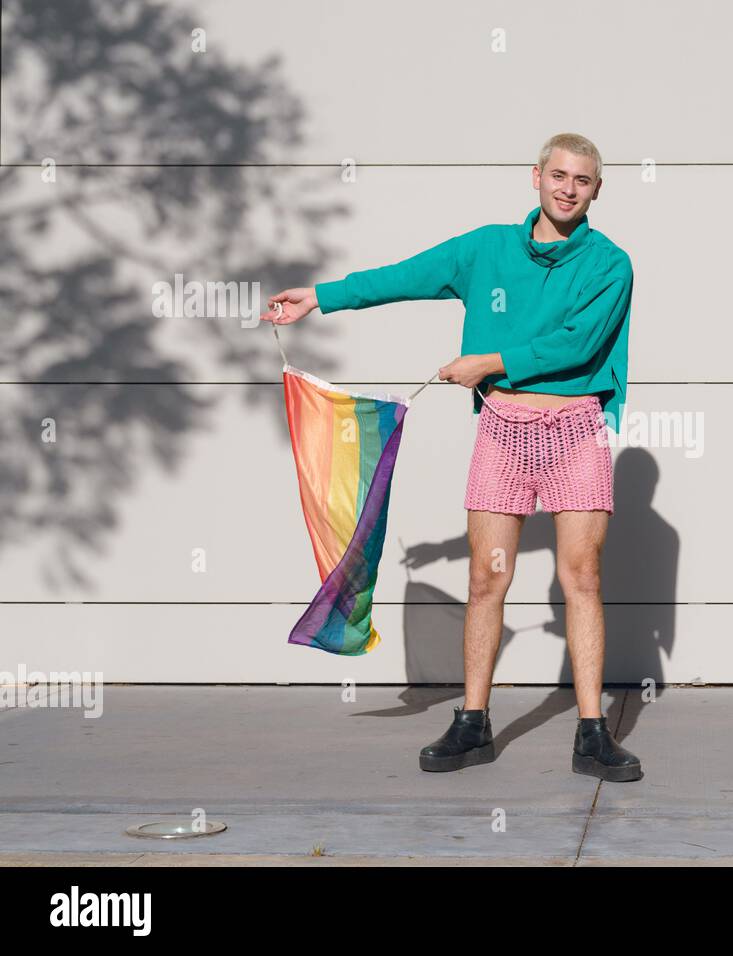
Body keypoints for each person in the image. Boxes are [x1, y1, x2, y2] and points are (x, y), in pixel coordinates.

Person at [259, 133, 642, 782]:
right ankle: (473, 722)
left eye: (582, 179)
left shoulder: (611, 264)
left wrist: (487, 363)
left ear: (597, 189)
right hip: (501, 430)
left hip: (574, 429)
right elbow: (405, 276)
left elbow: (578, 344)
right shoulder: (485, 249)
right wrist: (320, 296)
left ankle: (591, 732)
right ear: (536, 177)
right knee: (486, 580)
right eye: (558, 175)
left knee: (582, 580)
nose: (568, 188)